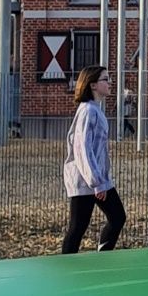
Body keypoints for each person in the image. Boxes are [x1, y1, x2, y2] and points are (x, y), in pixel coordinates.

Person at [60, 66, 126, 252]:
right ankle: (66, 265)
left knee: (115, 218)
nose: (110, 83)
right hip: (86, 181)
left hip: (96, 180)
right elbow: (82, 149)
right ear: (93, 85)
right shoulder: (88, 111)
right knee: (78, 227)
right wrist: (96, 182)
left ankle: (102, 256)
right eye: (106, 79)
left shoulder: (94, 110)